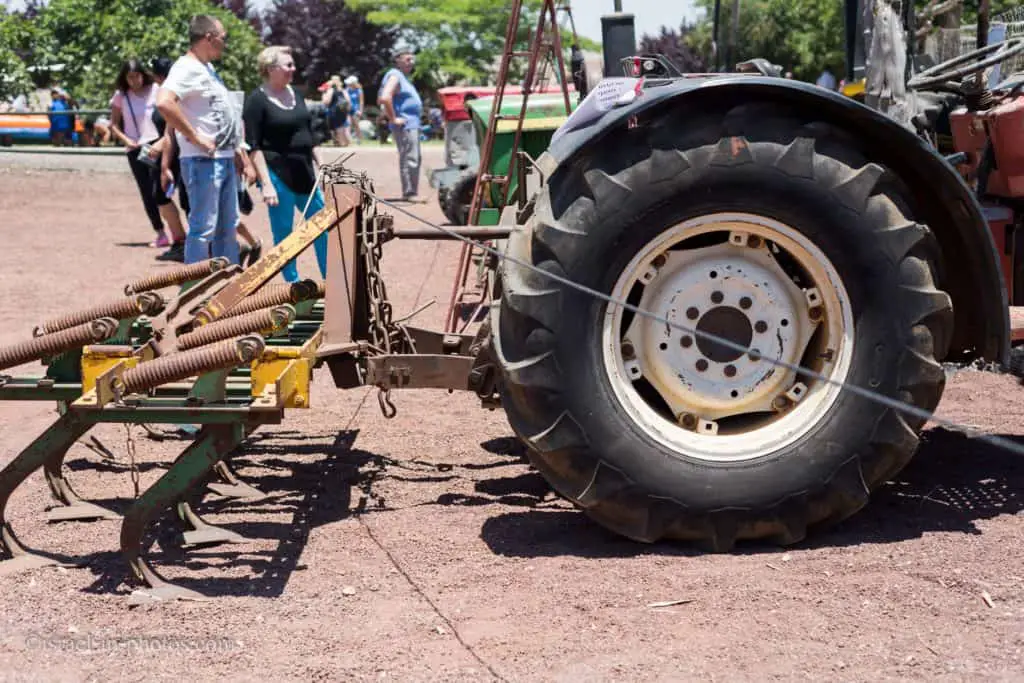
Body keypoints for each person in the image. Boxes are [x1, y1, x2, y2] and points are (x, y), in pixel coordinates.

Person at [156, 14, 245, 266]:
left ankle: (227, 290)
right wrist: (194, 137)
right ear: (209, 37)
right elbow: (164, 102)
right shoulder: (186, 67)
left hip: (222, 158)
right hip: (202, 160)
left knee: (227, 228)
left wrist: (236, 149)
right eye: (223, 38)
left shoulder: (207, 69)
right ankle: (195, 289)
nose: (225, 43)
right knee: (204, 229)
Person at [243, 45, 327, 283]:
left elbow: (310, 136)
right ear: (271, 69)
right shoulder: (256, 100)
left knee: (323, 227)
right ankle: (293, 285)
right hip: (277, 175)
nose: (293, 69)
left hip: (305, 174)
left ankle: (331, 282)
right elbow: (254, 146)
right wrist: (266, 184)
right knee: (285, 235)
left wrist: (322, 165)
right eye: (288, 65)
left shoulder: (296, 95)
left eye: (292, 64)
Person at [109, 61, 172, 247]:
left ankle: (177, 229)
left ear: (143, 75)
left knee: (160, 188)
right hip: (135, 148)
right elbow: (113, 124)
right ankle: (160, 232)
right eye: (129, 77)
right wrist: (126, 140)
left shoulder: (156, 89)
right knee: (146, 191)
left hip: (156, 144)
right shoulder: (121, 96)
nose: (134, 80)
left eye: (136, 76)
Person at [379, 51, 426, 202]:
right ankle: (409, 193)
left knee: (414, 157)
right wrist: (393, 118)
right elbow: (385, 97)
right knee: (409, 158)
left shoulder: (403, 78)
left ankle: (411, 191)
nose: (411, 62)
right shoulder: (395, 75)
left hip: (411, 124)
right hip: (406, 124)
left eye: (412, 59)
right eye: (407, 59)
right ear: (397, 61)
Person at [343, 75, 364, 143]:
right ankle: (349, 140)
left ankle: (359, 139)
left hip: (356, 110)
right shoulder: (346, 90)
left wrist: (360, 110)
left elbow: (361, 101)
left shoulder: (359, 90)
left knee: (356, 125)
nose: (348, 84)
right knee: (348, 124)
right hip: (348, 109)